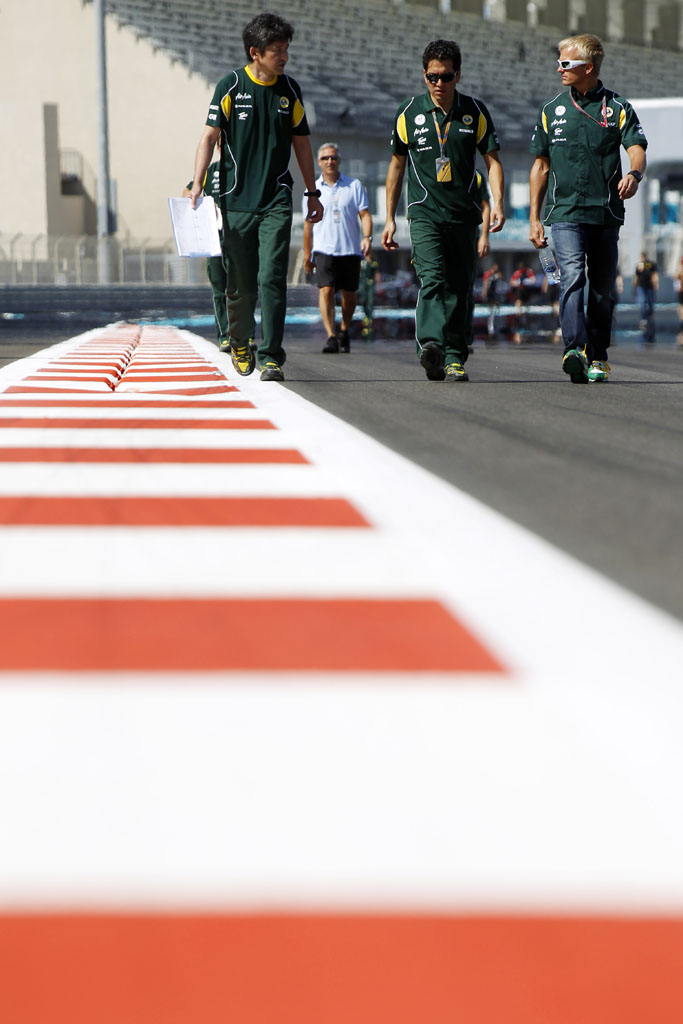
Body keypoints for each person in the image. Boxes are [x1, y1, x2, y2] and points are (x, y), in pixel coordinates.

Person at [189, 11, 323, 382]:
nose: (284, 57)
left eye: (286, 50)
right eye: (277, 50)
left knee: (272, 277)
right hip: (235, 201)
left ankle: (272, 356)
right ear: (255, 52)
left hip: (276, 199)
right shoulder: (230, 87)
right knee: (241, 284)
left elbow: (302, 144)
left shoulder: (290, 90)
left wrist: (312, 192)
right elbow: (209, 138)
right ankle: (240, 340)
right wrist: (198, 182)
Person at [381, 38, 505, 382]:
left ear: (458, 75)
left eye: (446, 77)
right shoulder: (409, 113)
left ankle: (454, 355)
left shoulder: (475, 112)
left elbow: (493, 161)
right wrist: (389, 218)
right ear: (424, 76)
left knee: (460, 287)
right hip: (423, 214)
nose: (439, 84)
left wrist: (497, 203)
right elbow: (395, 167)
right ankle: (431, 344)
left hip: (465, 215)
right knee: (432, 279)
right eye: (432, 77)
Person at [529, 33, 647, 384]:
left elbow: (637, 148)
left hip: (606, 213)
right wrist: (534, 218)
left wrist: (635, 175)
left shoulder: (619, 107)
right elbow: (540, 167)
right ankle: (574, 349)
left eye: (566, 63)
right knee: (571, 276)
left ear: (588, 67)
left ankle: (598, 356)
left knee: (602, 289)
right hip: (565, 213)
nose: (559, 68)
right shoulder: (551, 110)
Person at [302, 142, 372, 354]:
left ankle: (344, 330)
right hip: (324, 249)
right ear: (319, 162)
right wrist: (308, 254)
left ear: (339, 160)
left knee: (350, 296)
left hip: (350, 249)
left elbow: (365, 215)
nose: (330, 162)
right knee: (326, 290)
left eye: (333, 158)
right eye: (325, 158)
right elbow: (308, 226)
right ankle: (331, 335)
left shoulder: (354, 185)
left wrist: (367, 237)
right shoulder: (312, 190)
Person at [183, 140, 229, 349]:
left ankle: (244, 334)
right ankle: (225, 335)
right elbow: (187, 194)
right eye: (223, 144)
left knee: (244, 288)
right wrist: (205, 204)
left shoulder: (245, 168)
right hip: (216, 239)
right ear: (218, 147)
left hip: (241, 237)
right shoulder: (210, 171)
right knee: (220, 289)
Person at [633, 251, 659, 345]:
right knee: (642, 302)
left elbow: (654, 274)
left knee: (650, 302)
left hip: (649, 286)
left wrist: (656, 283)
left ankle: (649, 315)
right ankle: (644, 318)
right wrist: (634, 287)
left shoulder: (650, 264)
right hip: (641, 286)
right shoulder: (639, 265)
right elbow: (636, 276)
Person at [509, 261, 537, 341]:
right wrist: (517, 283)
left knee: (527, 303)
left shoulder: (529, 271)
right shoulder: (517, 272)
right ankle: (518, 312)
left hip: (526, 291)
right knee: (518, 300)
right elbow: (511, 282)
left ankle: (527, 313)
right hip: (520, 290)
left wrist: (527, 282)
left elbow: (533, 280)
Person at [482, 262, 503, 337]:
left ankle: (495, 327)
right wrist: (484, 293)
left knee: (496, 311)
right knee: (490, 312)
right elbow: (485, 283)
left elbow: (500, 276)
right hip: (490, 294)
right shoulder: (488, 274)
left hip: (495, 294)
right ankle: (490, 329)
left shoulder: (496, 275)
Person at [673, 256, 683, 347]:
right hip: (681, 292)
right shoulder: (680, 270)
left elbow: (674, 276)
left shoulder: (680, 270)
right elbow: (674, 277)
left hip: (681, 291)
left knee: (680, 309)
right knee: (680, 308)